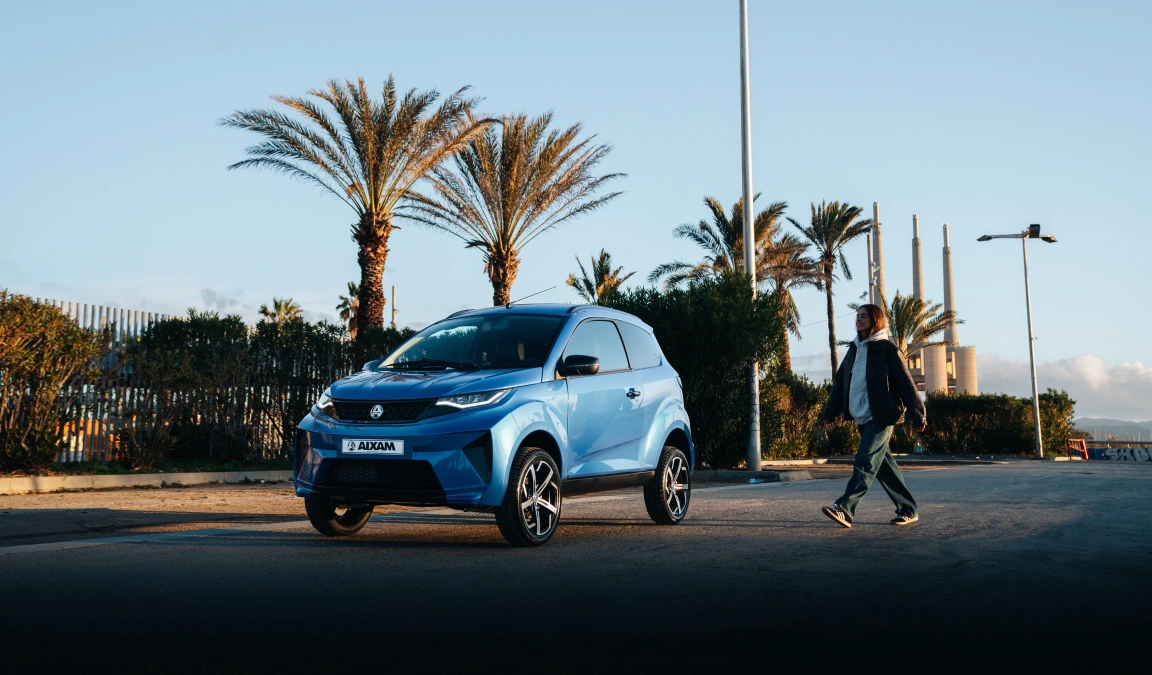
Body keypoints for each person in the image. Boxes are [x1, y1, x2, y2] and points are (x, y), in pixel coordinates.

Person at [819, 304, 926, 528]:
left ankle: (845, 508)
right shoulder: (854, 349)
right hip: (861, 415)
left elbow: (906, 384)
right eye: (857, 316)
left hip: (882, 416)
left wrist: (919, 415)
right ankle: (908, 509)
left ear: (875, 320)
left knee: (865, 460)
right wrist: (830, 411)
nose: (858, 320)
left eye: (863, 316)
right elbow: (840, 383)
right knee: (884, 467)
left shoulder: (887, 349)